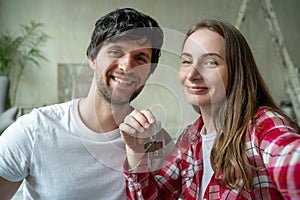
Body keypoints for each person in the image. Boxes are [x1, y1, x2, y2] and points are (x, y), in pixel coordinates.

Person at [0, 8, 174, 199]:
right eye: (116, 52)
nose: (127, 66)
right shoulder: (35, 129)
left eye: (140, 58)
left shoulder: (157, 141)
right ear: (92, 57)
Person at [120, 18, 300, 199]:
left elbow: (291, 160)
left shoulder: (263, 125)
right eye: (186, 61)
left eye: (210, 62)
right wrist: (135, 152)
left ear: (238, 71)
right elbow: (155, 196)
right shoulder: (189, 139)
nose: (191, 74)